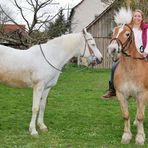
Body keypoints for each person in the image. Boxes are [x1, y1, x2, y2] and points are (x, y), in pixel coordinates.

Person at [102, 9, 148, 99]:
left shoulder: (146, 29)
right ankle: (112, 89)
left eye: (139, 16)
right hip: (130, 54)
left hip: (143, 54)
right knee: (115, 66)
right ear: (133, 17)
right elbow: (123, 41)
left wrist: (146, 52)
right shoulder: (128, 28)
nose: (137, 18)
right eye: (135, 16)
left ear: (142, 18)